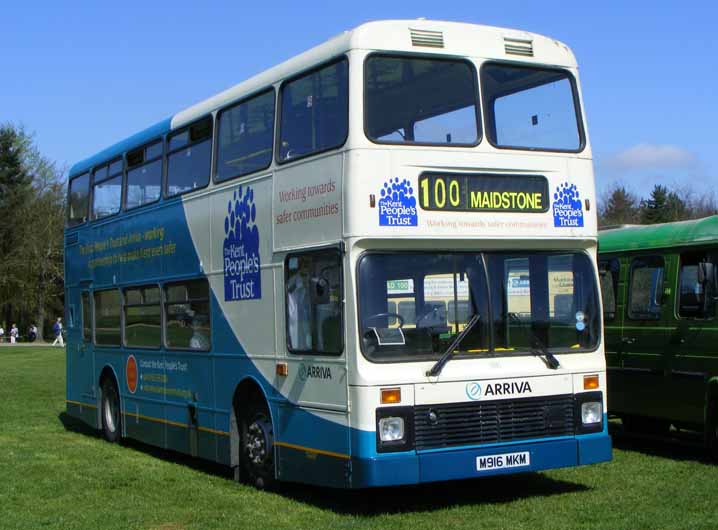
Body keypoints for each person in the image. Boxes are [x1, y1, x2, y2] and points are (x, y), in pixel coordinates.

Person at [287, 256, 313, 350]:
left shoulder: (311, 278)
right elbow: (289, 291)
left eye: (307, 264)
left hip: (307, 316)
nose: (306, 266)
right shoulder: (293, 280)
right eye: (304, 263)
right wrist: (301, 284)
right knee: (297, 341)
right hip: (296, 316)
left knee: (307, 339)